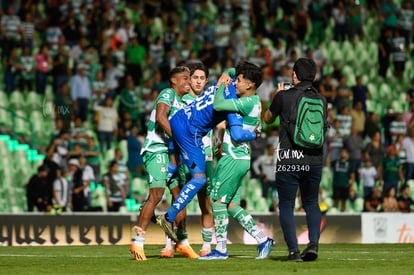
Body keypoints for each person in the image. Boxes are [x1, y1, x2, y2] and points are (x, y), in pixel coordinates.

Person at [155, 62, 262, 247]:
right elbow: (236, 132)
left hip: (178, 119)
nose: (237, 83)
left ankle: (154, 196)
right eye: (238, 79)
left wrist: (226, 74)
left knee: (173, 168)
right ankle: (167, 217)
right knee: (199, 179)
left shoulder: (220, 82)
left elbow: (229, 71)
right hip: (191, 134)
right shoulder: (231, 102)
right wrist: (255, 133)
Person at [199, 63, 275, 260]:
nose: (236, 83)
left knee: (217, 202)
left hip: (232, 158)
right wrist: (229, 73)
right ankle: (263, 239)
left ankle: (221, 249)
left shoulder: (247, 102)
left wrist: (220, 86)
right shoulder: (254, 100)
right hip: (241, 157)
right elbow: (234, 72)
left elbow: (218, 105)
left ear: (250, 84)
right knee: (232, 205)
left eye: (239, 81)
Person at [263, 58, 328, 262]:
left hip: (290, 157)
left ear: (294, 76)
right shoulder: (322, 100)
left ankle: (293, 252)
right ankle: (313, 244)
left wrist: (275, 96)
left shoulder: (284, 96)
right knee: (311, 202)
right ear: (314, 76)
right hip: (315, 158)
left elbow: (267, 118)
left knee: (286, 205)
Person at [130, 66, 191, 261]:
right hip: (156, 149)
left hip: (169, 153)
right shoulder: (168, 93)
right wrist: (180, 139)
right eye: (185, 78)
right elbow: (161, 117)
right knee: (156, 195)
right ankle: (137, 242)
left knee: (180, 196)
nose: (188, 82)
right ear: (174, 81)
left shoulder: (181, 103)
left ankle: (182, 242)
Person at [160, 62, 214, 258]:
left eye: (202, 78)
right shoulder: (182, 99)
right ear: (189, 80)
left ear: (206, 81)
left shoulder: (211, 99)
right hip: (185, 154)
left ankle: (207, 245)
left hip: (206, 155)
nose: (198, 81)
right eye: (195, 78)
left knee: (205, 203)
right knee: (179, 199)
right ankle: (170, 243)